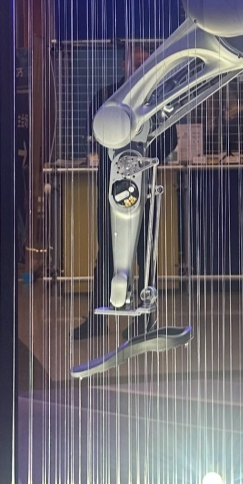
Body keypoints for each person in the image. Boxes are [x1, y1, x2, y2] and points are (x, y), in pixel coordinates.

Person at [73, 44, 174, 341]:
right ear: (123, 65)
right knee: (107, 251)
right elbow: (96, 132)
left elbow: (170, 140)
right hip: (111, 190)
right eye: (136, 62)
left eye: (145, 63)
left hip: (145, 191)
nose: (140, 68)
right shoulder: (107, 97)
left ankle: (145, 320)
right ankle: (97, 318)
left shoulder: (158, 100)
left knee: (146, 254)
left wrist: (144, 151)